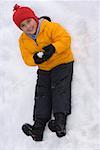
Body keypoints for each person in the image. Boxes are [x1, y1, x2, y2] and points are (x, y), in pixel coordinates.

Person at [12, 4, 74, 141]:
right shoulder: (23, 40)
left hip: (62, 62)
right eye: (23, 25)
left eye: (28, 21)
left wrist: (53, 48)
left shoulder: (50, 27)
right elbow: (26, 58)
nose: (28, 27)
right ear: (20, 28)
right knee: (42, 93)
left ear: (34, 18)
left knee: (59, 89)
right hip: (44, 68)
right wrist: (35, 59)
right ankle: (38, 128)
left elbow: (65, 39)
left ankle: (60, 121)